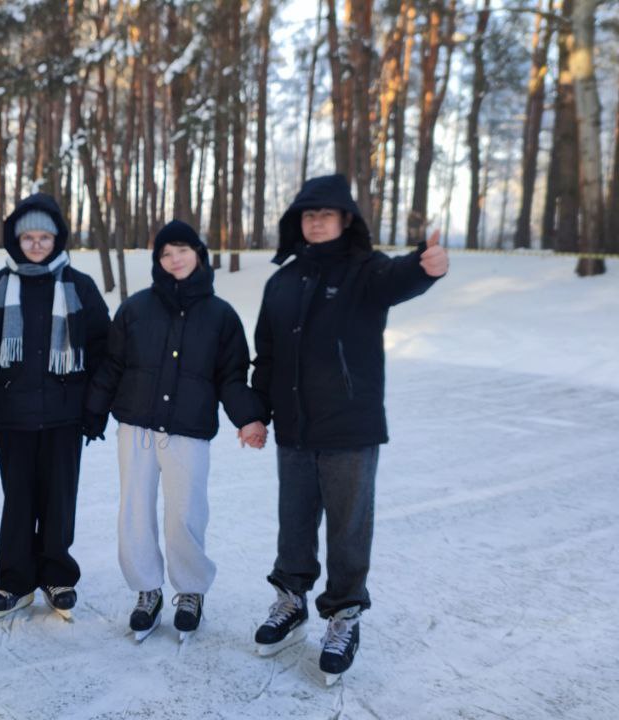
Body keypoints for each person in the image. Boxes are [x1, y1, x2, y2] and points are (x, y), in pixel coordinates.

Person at [249, 174, 448, 682]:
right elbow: (266, 356)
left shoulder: (366, 270)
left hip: (350, 427)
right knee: (294, 521)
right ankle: (290, 600)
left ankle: (343, 614)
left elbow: (398, 279)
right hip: (294, 427)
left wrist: (424, 267)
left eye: (326, 214)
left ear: (345, 220)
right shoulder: (282, 282)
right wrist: (257, 413)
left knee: (348, 526)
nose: (316, 223)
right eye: (308, 215)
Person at [85, 220, 268, 642]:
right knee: (134, 512)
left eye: (182, 250)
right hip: (136, 427)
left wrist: (248, 418)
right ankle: (147, 589)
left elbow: (231, 376)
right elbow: (113, 365)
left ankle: (190, 590)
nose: (174, 259)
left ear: (198, 254)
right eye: (165, 254)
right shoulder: (135, 309)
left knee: (185, 514)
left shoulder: (221, 316)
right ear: (158, 261)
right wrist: (93, 411)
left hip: (188, 430)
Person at [0, 193, 110, 621]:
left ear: (56, 239)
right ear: (16, 240)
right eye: (28, 237)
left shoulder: (79, 286)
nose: (35, 245)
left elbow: (103, 350)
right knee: (18, 499)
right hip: (12, 415)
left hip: (65, 414)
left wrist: (95, 408)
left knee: (59, 499)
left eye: (44, 237)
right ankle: (14, 581)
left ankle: (57, 576)